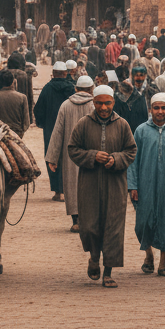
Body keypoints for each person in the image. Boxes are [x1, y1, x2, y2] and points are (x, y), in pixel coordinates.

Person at [67, 84, 136, 288]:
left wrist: (116, 159)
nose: (103, 107)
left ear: (113, 102)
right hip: (89, 184)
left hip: (115, 185)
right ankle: (94, 257)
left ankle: (108, 272)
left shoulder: (122, 124)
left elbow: (131, 151)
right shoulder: (83, 124)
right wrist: (92, 156)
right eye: (99, 103)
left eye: (107, 103)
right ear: (93, 103)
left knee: (113, 228)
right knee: (89, 226)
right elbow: (73, 149)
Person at [129, 91, 165, 276]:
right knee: (143, 222)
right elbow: (133, 161)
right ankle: (148, 255)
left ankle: (163, 264)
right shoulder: (141, 131)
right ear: (150, 109)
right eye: (156, 107)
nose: (160, 111)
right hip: (145, 184)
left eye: (163, 108)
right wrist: (133, 186)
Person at [46, 73, 96, 231]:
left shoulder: (65, 105)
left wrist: (52, 158)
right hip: (91, 154)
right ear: (91, 89)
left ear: (76, 89)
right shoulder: (94, 105)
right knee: (91, 186)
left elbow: (57, 132)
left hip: (70, 155)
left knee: (72, 184)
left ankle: (76, 221)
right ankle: (89, 219)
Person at [34, 61, 75, 201]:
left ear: (53, 73)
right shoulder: (71, 89)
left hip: (51, 129)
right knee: (69, 158)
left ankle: (58, 191)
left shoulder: (47, 89)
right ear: (65, 74)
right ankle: (68, 190)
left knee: (52, 157)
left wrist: (42, 123)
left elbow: (38, 109)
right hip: (70, 129)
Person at [0, 69, 31, 137]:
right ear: (13, 82)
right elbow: (26, 121)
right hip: (17, 133)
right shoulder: (22, 97)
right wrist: (21, 131)